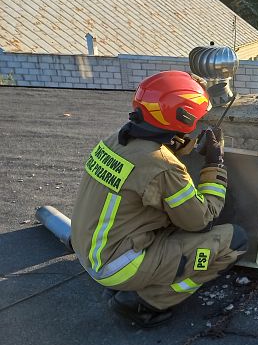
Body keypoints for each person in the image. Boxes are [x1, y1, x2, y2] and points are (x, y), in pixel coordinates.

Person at [70, 70, 247, 328]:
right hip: (118, 266)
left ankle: (129, 281)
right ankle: (145, 300)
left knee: (173, 225)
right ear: (183, 116)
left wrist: (180, 145)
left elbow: (147, 170)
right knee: (235, 240)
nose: (198, 122)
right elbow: (201, 220)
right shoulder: (163, 167)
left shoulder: (116, 140)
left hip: (91, 253)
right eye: (196, 117)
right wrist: (214, 163)